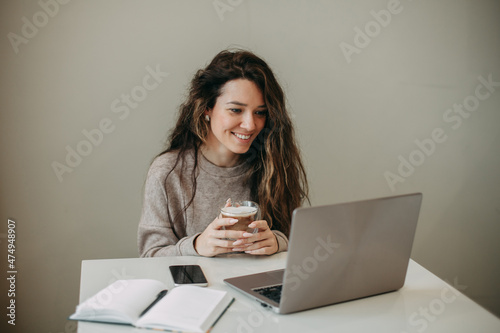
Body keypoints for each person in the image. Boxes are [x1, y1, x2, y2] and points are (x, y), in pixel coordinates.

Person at [138, 49, 308, 257]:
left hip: (256, 287)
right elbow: (150, 256)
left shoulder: (273, 162)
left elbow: (298, 240)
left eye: (260, 112)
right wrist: (197, 246)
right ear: (207, 108)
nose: (250, 124)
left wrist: (277, 241)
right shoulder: (167, 172)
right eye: (236, 110)